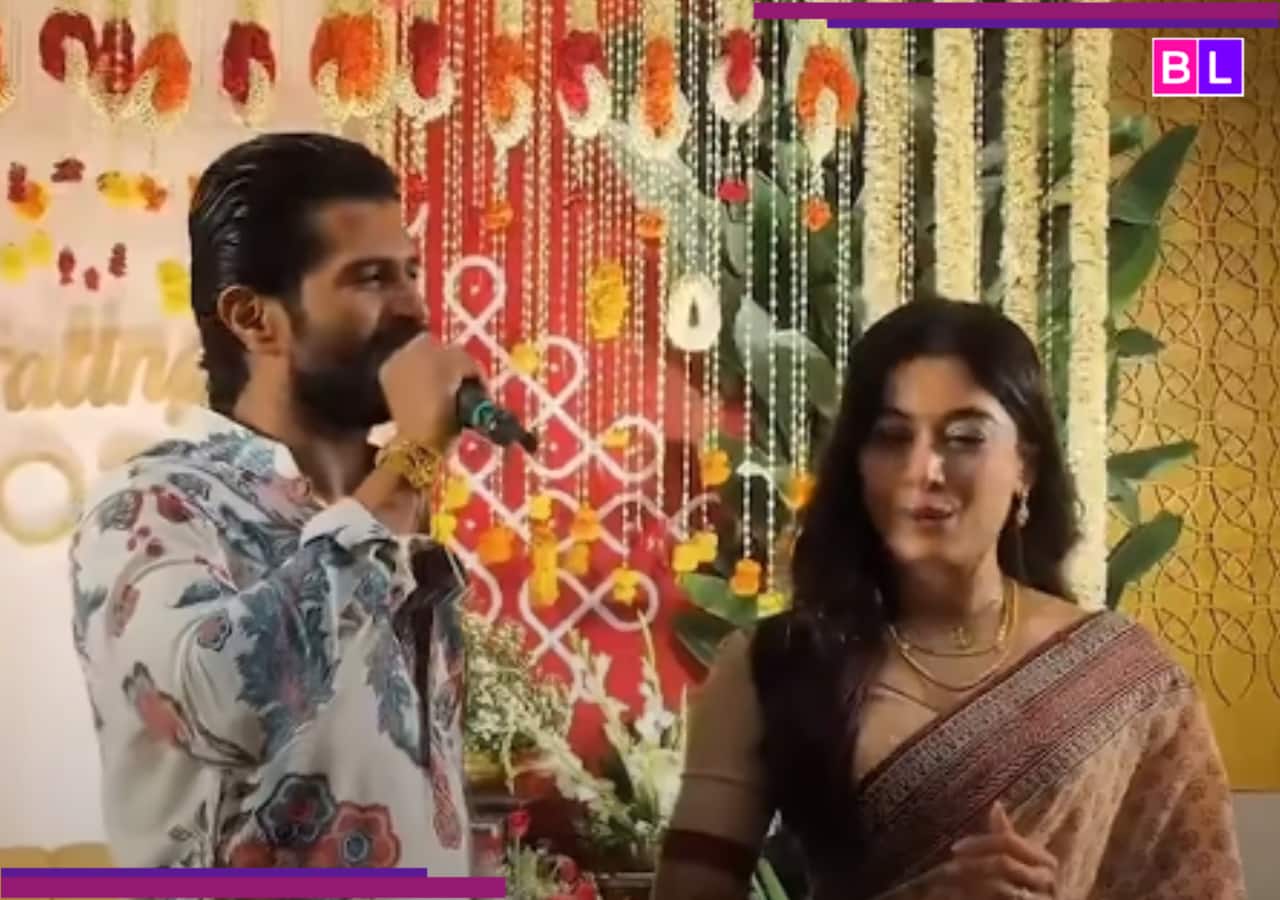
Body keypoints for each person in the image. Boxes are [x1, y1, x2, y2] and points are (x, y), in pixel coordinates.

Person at [655, 298, 1246, 899]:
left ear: (1025, 468)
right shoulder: (772, 667)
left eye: (964, 437)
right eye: (892, 437)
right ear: (858, 466)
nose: (923, 469)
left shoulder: (1128, 679)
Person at [69, 133, 481, 871]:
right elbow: (227, 705)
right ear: (253, 317)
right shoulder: (152, 507)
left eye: (411, 272)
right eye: (371, 278)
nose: (414, 309)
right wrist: (411, 463)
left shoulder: (384, 512)